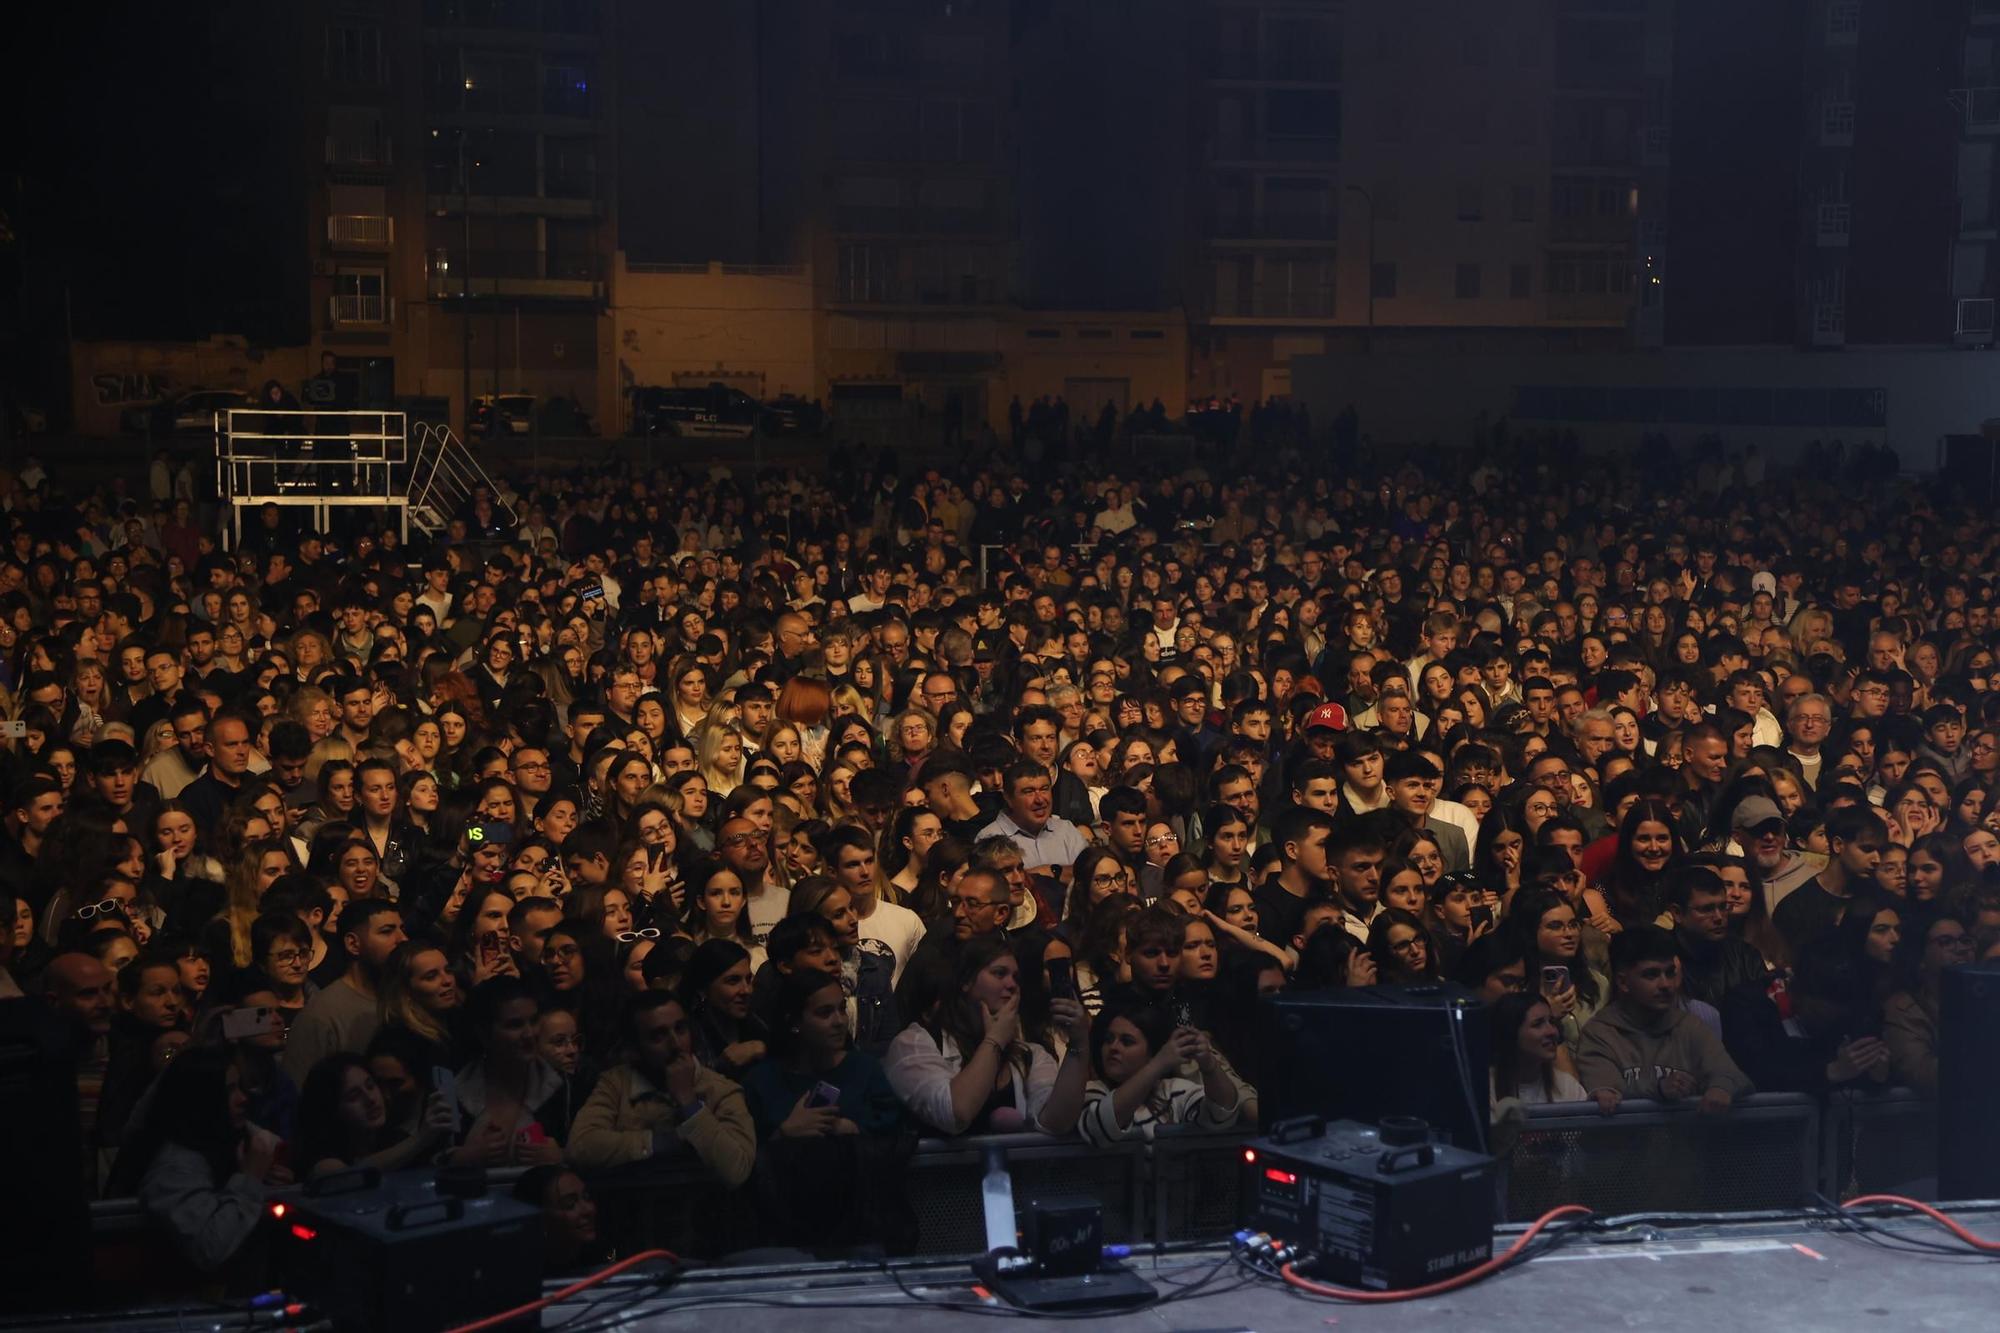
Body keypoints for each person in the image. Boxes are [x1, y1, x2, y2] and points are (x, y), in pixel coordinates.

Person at [883, 933, 1091, 1136]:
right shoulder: (915, 1043)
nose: (1011, 985)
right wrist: (994, 1040)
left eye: (1016, 978)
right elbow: (956, 1113)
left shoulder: (1028, 1054)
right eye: (999, 973)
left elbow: (1055, 1122)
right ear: (966, 981)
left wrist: (1079, 1044)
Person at [568, 990, 756, 1185]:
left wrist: (689, 1103)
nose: (675, 1044)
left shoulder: (721, 1090)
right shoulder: (616, 1083)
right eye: (658, 1036)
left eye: (681, 1029)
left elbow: (736, 1171)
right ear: (635, 1047)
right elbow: (580, 1146)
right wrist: (659, 1143)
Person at [1576, 927, 1752, 1115]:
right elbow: (1610, 1097)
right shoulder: (1599, 1034)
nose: (1666, 985)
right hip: (1623, 1143)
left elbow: (1734, 1075)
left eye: (1669, 973)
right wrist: (1659, 1089)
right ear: (1623, 982)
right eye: (1651, 975)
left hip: (1684, 1143)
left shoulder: (1690, 1026)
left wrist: (1721, 1087)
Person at [1077, 994, 1248, 1144]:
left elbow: (1222, 1114)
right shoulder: (1094, 1090)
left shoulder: (1172, 1091)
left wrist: (1208, 1064)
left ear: (1152, 1052)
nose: (1113, 1047)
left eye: (1126, 1041)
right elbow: (1098, 1128)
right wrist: (1159, 1063)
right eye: (1108, 1039)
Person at [294, 1051, 456, 1178]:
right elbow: (348, 1177)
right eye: (354, 1096)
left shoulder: (396, 1140)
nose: (370, 1099)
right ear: (331, 1110)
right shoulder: (324, 1158)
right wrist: (420, 1139)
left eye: (370, 1086)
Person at [1489, 992, 1587, 1108]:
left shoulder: (1568, 1087)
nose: (1552, 1032)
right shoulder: (1482, 1089)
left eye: (1552, 1022)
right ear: (1511, 1033)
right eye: (1538, 1024)